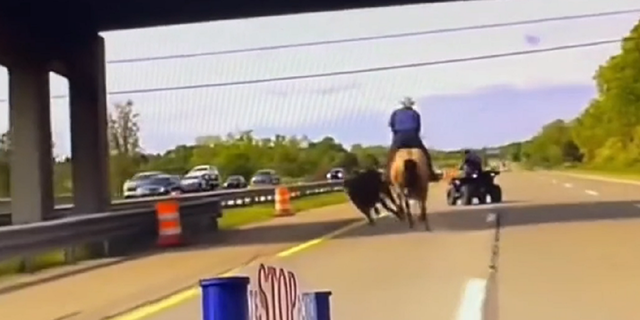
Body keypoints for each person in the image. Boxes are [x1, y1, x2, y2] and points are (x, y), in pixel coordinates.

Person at [386, 97, 437, 182]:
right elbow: (418, 128)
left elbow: (392, 126)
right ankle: (431, 173)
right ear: (411, 105)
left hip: (399, 137)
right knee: (425, 153)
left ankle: (386, 175)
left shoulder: (395, 113)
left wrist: (396, 136)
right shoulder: (415, 113)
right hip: (413, 137)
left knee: (390, 156)